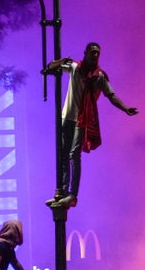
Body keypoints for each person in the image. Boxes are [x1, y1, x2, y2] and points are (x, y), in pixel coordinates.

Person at [43, 42, 139, 209]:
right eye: (92, 52)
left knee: (74, 155)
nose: (95, 56)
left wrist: (125, 109)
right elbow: (49, 67)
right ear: (85, 52)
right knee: (63, 154)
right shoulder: (75, 68)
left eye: (97, 53)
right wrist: (61, 61)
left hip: (82, 120)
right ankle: (62, 192)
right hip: (67, 117)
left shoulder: (99, 76)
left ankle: (73, 195)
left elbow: (111, 95)